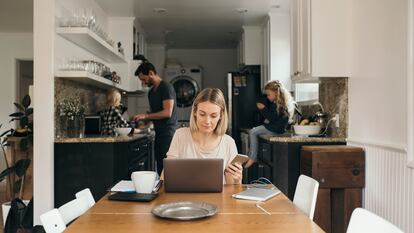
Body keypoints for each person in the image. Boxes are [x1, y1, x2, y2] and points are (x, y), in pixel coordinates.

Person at [166, 88, 243, 184]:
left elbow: (231, 188)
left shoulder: (228, 143)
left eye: (213, 116)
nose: (207, 121)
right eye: (202, 114)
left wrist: (237, 180)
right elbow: (166, 175)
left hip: (218, 199)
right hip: (185, 198)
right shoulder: (180, 135)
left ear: (221, 116)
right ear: (195, 112)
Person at [132, 62, 178, 175]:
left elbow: (167, 112)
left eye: (144, 79)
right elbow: (155, 114)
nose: (143, 82)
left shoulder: (166, 87)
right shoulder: (151, 92)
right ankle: (162, 190)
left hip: (168, 134)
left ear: (151, 73)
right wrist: (144, 121)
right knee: (160, 166)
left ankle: (168, 191)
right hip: (158, 133)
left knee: (167, 167)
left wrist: (146, 116)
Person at [245, 80, 295, 168]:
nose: (267, 97)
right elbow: (274, 118)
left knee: (253, 131)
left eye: (269, 94)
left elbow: (272, 118)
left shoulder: (278, 105)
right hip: (277, 128)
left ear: (276, 93)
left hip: (275, 129)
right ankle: (251, 154)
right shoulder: (281, 104)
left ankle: (252, 157)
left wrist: (263, 109)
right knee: (255, 131)